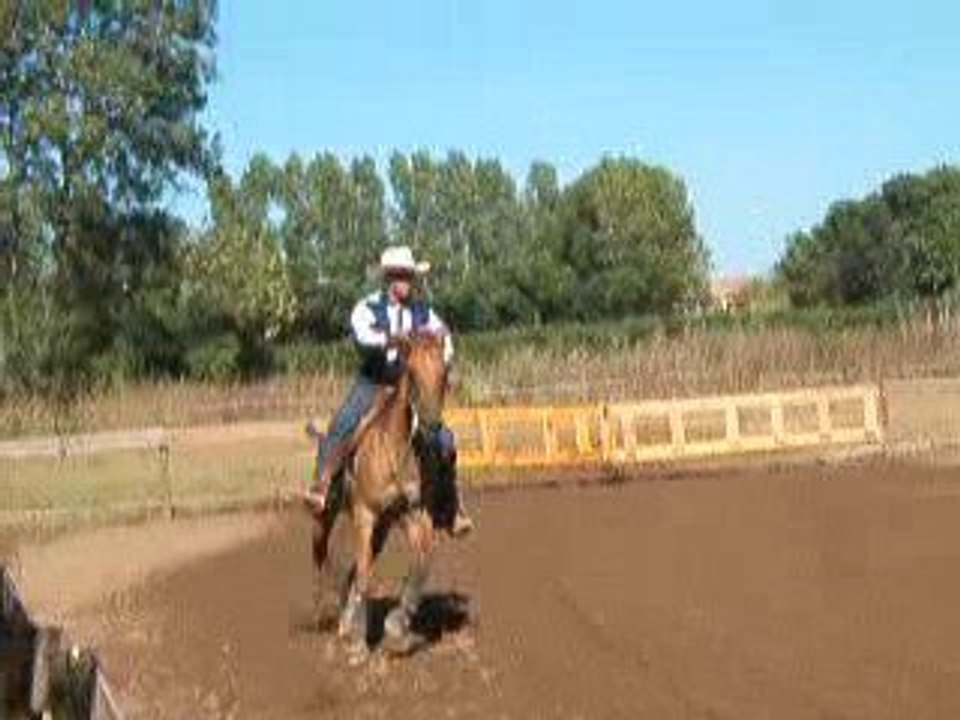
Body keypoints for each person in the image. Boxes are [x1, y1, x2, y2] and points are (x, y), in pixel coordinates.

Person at [302, 245, 474, 537]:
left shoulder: (424, 312)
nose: (405, 282)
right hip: (374, 382)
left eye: (408, 276)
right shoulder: (368, 307)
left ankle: (450, 507)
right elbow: (362, 335)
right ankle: (322, 486)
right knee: (344, 422)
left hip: (410, 389)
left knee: (444, 439)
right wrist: (390, 339)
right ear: (389, 279)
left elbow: (446, 339)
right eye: (399, 276)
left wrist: (440, 364)